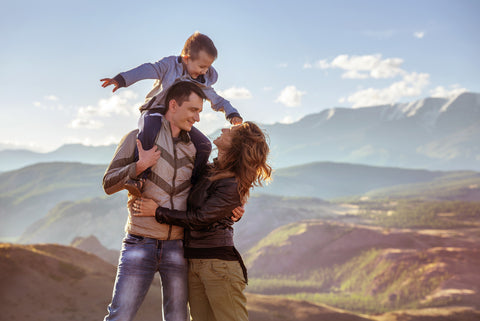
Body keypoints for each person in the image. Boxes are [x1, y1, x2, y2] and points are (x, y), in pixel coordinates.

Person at [133, 121, 273, 321]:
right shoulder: (210, 171)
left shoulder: (231, 182)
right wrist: (168, 113)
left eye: (230, 131)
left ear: (237, 144)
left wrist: (157, 212)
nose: (224, 128)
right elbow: (191, 130)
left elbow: (200, 219)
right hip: (194, 262)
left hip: (218, 265)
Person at [102, 81, 207, 321]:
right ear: (173, 105)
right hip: (140, 243)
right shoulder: (138, 139)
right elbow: (108, 184)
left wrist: (236, 203)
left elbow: (204, 188)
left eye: (200, 111)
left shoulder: (196, 149)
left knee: (178, 319)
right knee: (120, 316)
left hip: (178, 248)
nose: (198, 118)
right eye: (193, 110)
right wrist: (140, 165)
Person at [101, 32, 243, 196]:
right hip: (156, 111)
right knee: (148, 131)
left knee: (205, 145)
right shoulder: (169, 66)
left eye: (208, 67)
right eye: (201, 67)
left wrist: (232, 113)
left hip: (178, 121)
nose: (204, 72)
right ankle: (140, 178)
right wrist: (122, 79)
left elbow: (216, 99)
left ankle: (195, 183)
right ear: (186, 58)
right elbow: (148, 69)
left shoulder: (201, 82)